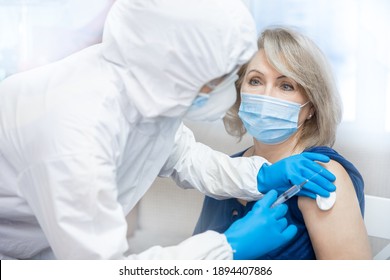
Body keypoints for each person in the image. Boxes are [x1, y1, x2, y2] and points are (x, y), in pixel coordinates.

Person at [0, 1, 335, 260]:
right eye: (225, 77)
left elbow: (183, 156)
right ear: (182, 70)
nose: (231, 88)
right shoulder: (75, 131)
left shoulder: (143, 88)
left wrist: (258, 177)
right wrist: (227, 248)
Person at [194, 27, 372, 259]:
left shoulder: (318, 175)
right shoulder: (223, 171)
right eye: (255, 81)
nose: (266, 95)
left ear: (311, 107)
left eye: (286, 85)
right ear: (240, 92)